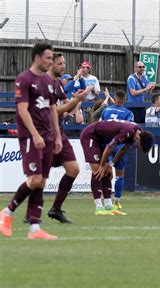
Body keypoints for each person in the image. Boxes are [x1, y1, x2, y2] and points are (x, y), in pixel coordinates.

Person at [0, 43, 62, 240]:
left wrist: (58, 135)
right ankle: (7, 212)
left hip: (48, 136)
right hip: (30, 136)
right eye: (48, 58)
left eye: (52, 59)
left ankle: (34, 229)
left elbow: (52, 109)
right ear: (37, 58)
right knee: (34, 179)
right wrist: (34, 134)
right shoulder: (23, 80)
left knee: (41, 182)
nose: (50, 62)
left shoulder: (49, 81)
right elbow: (22, 110)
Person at [36, 52, 89, 224]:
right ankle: (31, 213)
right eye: (60, 64)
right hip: (46, 134)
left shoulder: (58, 85)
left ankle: (55, 209)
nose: (64, 66)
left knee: (73, 169)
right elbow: (54, 111)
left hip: (60, 133)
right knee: (40, 176)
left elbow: (65, 108)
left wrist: (76, 99)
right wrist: (76, 101)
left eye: (63, 63)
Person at [80, 120, 154, 214]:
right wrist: (102, 165)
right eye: (138, 146)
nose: (136, 147)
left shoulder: (137, 131)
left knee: (107, 173)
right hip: (91, 136)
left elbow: (123, 150)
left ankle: (108, 206)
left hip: (101, 140)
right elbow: (110, 147)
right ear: (139, 138)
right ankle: (98, 207)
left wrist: (110, 164)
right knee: (97, 171)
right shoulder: (128, 131)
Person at [100, 89, 134, 210]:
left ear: (114, 99)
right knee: (119, 176)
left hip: (107, 146)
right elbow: (129, 129)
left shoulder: (106, 110)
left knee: (104, 173)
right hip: (119, 146)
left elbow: (101, 126)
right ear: (125, 100)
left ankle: (104, 200)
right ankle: (117, 201)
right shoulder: (128, 113)